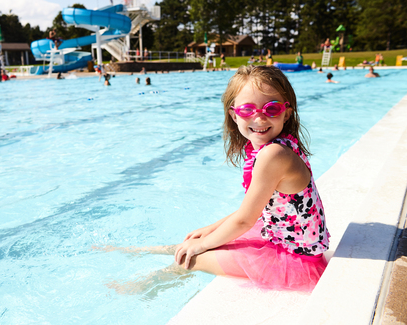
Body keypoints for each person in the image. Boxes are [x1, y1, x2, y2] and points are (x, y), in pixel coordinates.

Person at [94, 65, 330, 294]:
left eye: (271, 109)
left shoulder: (273, 154)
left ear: (287, 112)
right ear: (234, 115)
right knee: (201, 240)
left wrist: (202, 244)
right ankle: (140, 251)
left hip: (294, 258)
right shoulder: (278, 146)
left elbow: (245, 221)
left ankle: (142, 287)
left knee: (192, 256)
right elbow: (258, 209)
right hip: (282, 238)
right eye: (247, 110)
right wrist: (209, 229)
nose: (259, 119)